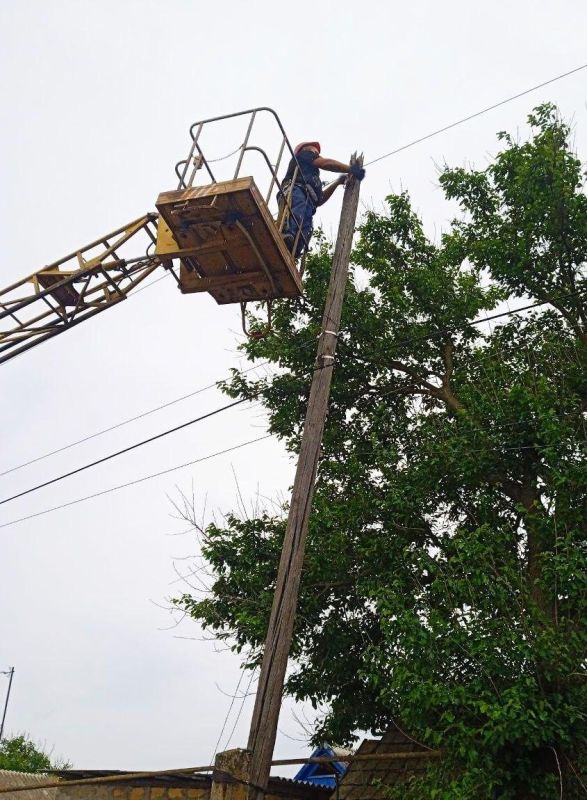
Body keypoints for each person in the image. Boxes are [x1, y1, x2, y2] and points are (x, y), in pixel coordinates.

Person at [279, 142, 365, 257]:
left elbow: (320, 199)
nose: (316, 154)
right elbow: (327, 163)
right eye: (314, 151)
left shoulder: (313, 179)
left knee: (304, 228)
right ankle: (286, 234)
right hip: (296, 191)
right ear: (304, 149)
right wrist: (351, 169)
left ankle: (293, 251)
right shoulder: (303, 156)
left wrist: (337, 182)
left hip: (308, 202)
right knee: (296, 213)